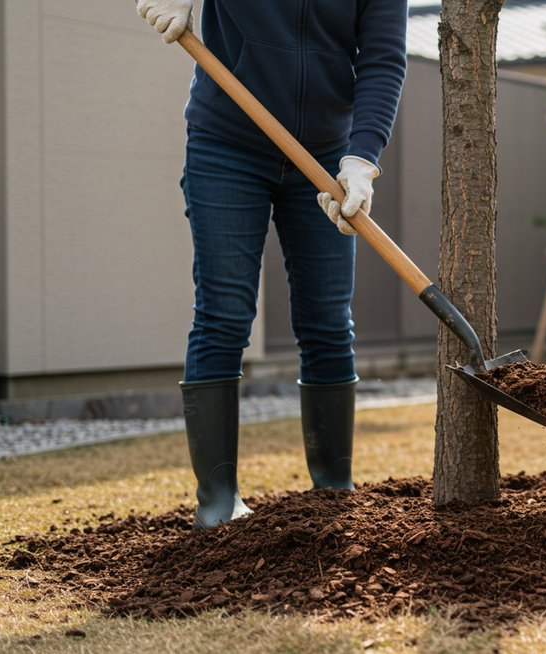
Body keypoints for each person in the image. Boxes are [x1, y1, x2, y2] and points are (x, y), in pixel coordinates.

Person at [136, 0, 408, 529]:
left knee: (329, 322)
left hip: (326, 156)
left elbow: (383, 58)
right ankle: (218, 502)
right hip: (227, 146)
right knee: (224, 314)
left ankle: (333, 494)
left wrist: (360, 161)